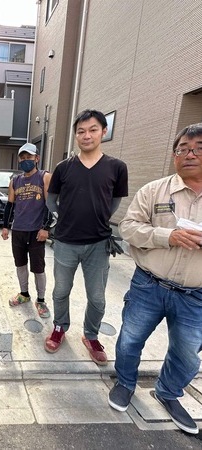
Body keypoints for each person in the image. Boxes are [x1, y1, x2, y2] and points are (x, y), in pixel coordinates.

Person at [108, 123, 202, 435]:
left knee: (187, 354)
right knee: (131, 339)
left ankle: (168, 392)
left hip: (196, 293)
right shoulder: (154, 191)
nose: (190, 154)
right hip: (149, 284)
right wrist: (168, 236)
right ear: (175, 155)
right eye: (183, 149)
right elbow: (128, 228)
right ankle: (125, 382)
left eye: (198, 148)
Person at [44, 109, 128, 365]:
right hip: (66, 242)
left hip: (98, 243)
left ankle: (90, 335)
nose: (86, 135)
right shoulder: (63, 168)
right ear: (75, 136)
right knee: (60, 291)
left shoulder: (116, 167)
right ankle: (60, 327)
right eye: (81, 131)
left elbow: (114, 202)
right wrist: (64, 216)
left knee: (98, 297)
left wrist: (99, 218)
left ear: (104, 132)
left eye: (93, 129)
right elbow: (50, 199)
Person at [1, 143, 53, 318]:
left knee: (38, 268)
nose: (25, 161)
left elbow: (51, 205)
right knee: (20, 264)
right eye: (22, 158)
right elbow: (10, 205)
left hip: (36, 232)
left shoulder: (44, 177)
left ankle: (41, 300)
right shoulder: (15, 181)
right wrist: (5, 226)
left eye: (28, 158)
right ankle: (24, 294)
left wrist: (46, 228)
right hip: (19, 230)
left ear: (36, 158)